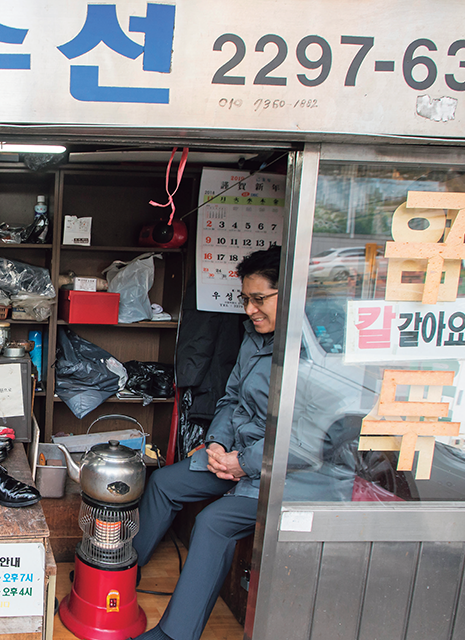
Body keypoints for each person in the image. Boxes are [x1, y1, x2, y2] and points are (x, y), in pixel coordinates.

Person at [131, 246, 281, 640]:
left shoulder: (307, 354)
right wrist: (216, 442)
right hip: (234, 457)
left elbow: (301, 440)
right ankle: (124, 569)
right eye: (246, 299)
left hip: (279, 478)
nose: (250, 310)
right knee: (165, 482)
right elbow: (232, 399)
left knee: (213, 523)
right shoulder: (255, 339)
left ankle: (174, 634)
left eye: (260, 299)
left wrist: (243, 463)